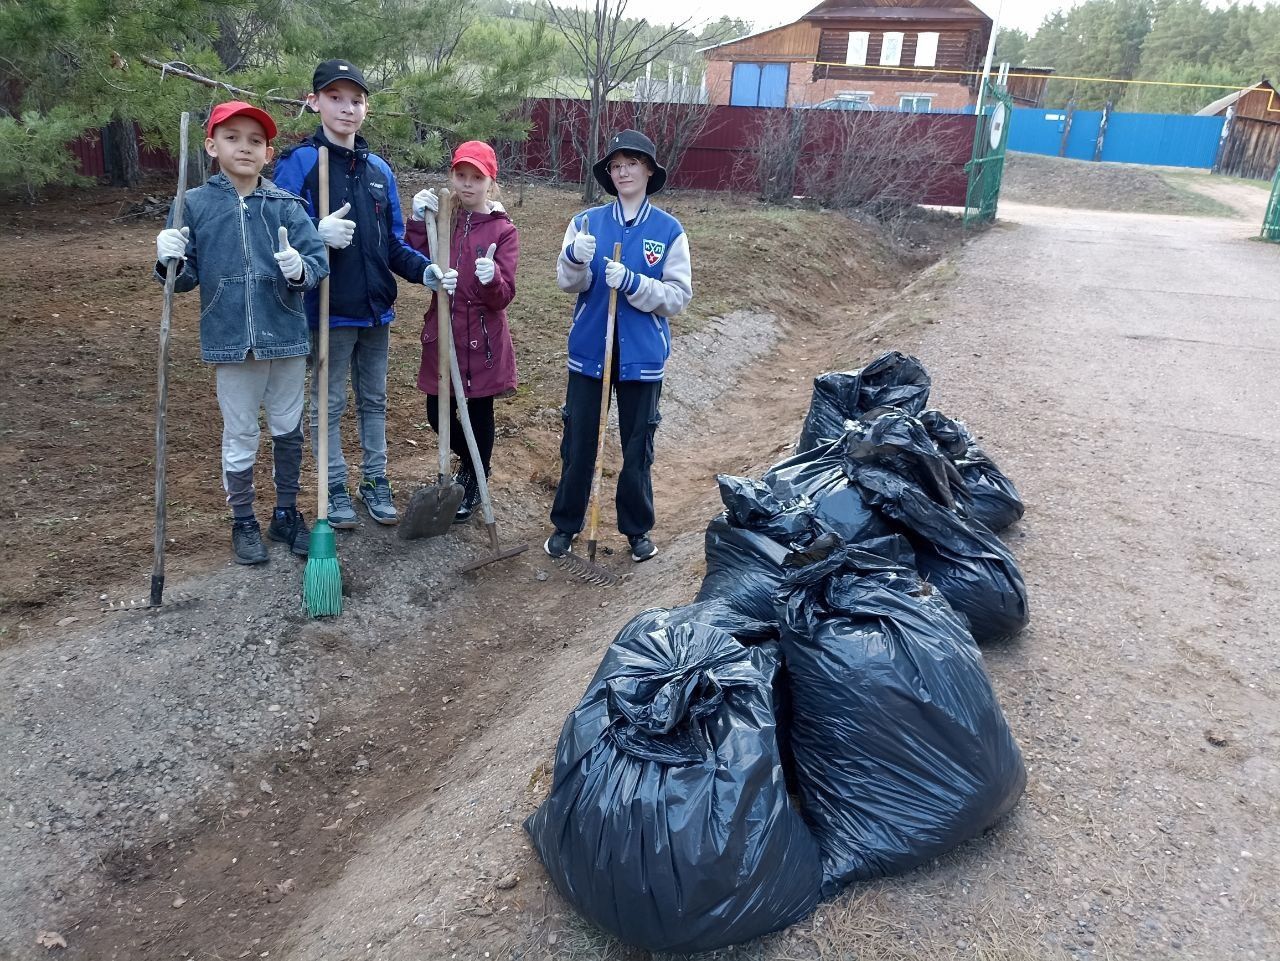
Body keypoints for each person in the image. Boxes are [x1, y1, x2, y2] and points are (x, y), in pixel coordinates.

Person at [273, 59, 455, 530]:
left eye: (355, 100)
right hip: (328, 310)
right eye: (335, 98)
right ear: (314, 102)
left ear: (366, 108)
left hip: (376, 311)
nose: (347, 109)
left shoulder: (379, 170)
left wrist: (426, 271)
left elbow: (392, 244)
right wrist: (316, 233)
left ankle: (375, 479)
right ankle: (333, 483)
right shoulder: (302, 163)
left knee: (374, 400)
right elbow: (277, 231)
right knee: (328, 404)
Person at [154, 101, 328, 565]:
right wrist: (168, 258)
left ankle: (286, 512)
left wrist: (299, 270)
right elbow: (184, 278)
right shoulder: (193, 204)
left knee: (288, 427)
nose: (245, 148)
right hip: (232, 340)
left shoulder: (286, 206)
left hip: (286, 336)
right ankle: (243, 519)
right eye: (233, 138)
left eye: (256, 141)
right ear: (211, 145)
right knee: (241, 432)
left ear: (269, 153)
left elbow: (317, 263)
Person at [544, 129, 692, 563]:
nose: (623, 171)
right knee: (578, 443)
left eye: (631, 163)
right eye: (616, 165)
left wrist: (633, 283)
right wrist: (574, 257)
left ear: (648, 170)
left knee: (637, 446)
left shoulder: (668, 230)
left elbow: (678, 297)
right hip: (591, 350)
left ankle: (636, 530)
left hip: (643, 355)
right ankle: (566, 525)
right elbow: (568, 283)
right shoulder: (586, 222)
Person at [405, 141, 519, 521]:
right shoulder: (445, 216)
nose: (467, 184)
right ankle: (472, 464)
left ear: (491, 182)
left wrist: (490, 279)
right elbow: (415, 255)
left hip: (482, 341)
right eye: (461, 175)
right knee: (437, 414)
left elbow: (503, 297)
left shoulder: (502, 231)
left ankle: (474, 477)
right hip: (443, 332)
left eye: (476, 177)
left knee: (478, 412)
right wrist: (418, 220)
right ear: (452, 176)